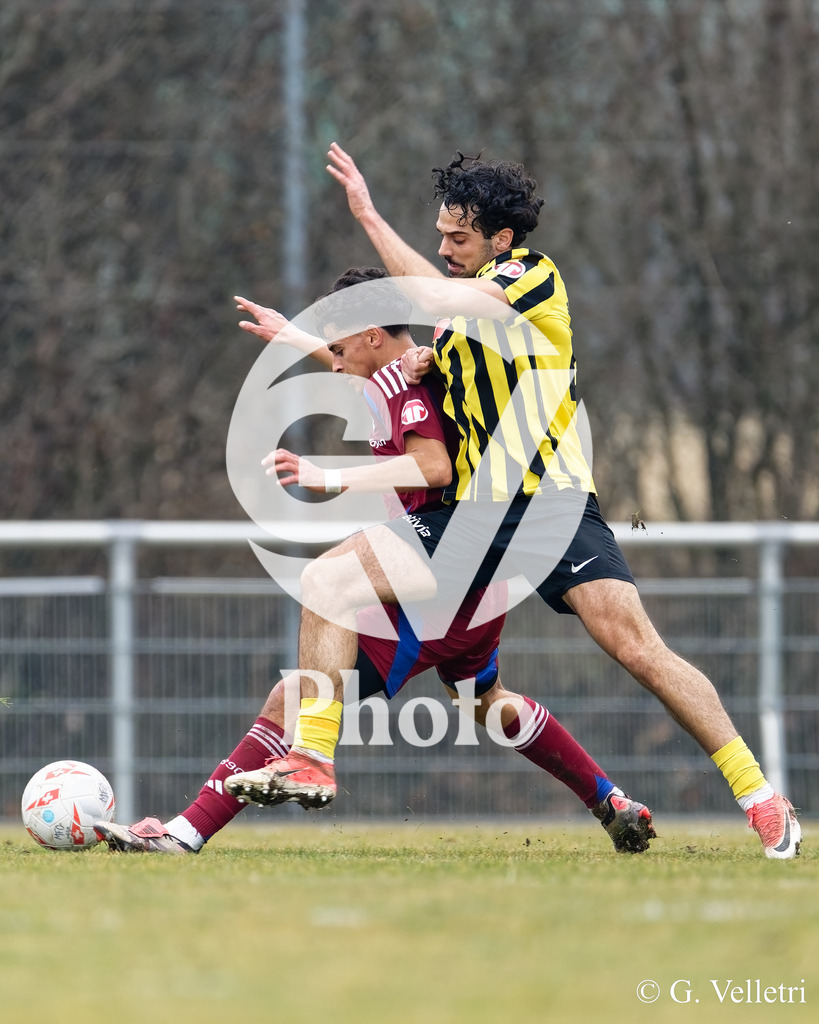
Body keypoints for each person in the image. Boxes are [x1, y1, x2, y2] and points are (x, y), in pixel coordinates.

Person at [227, 146, 801, 861]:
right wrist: (307, 341)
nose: (443, 247)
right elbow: (389, 363)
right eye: (438, 233)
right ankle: (311, 758)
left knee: (634, 648)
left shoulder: (532, 280)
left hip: (548, 506)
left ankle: (759, 796)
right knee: (328, 582)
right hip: (467, 516)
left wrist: (368, 217)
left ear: (501, 239)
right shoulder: (451, 333)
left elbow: (433, 300)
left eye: (457, 238)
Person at [94, 267, 655, 855]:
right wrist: (297, 339)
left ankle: (239, 803)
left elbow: (434, 466)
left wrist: (331, 476)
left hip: (444, 582)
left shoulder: (406, 383)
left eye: (338, 348)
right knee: (485, 700)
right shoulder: (412, 368)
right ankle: (610, 801)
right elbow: (370, 367)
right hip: (479, 581)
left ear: (369, 336)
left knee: (298, 684)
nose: (333, 365)